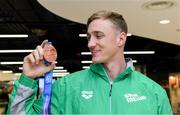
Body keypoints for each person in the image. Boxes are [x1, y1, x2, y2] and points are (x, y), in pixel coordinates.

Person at [6, 10, 172, 114]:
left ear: (120, 38)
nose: (90, 43)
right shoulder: (66, 87)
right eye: (89, 37)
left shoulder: (154, 93)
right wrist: (27, 78)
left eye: (98, 36)